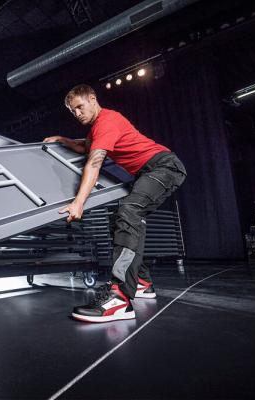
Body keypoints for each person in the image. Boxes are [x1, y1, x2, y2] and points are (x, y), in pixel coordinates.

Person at [44, 84, 186, 323]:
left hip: (164, 167)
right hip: (148, 172)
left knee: (128, 211)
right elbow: (84, 146)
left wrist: (78, 202)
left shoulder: (108, 121)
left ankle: (119, 298)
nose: (77, 113)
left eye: (80, 106)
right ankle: (141, 282)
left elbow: (94, 163)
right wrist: (63, 139)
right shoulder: (96, 131)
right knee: (122, 219)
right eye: (73, 111)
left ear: (92, 99)